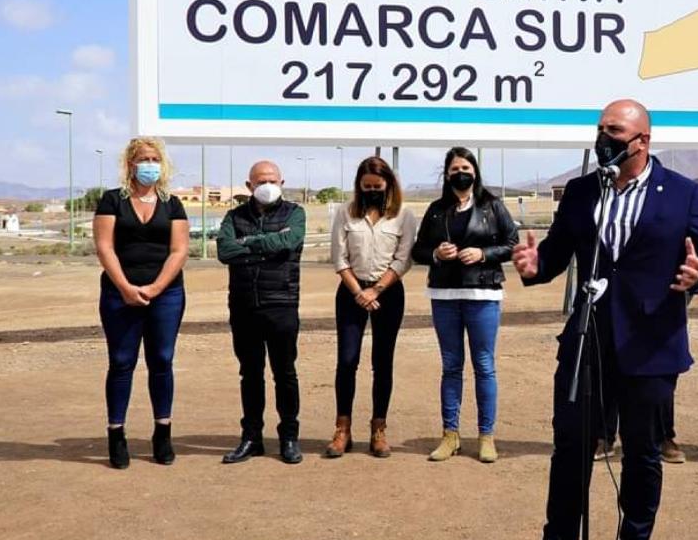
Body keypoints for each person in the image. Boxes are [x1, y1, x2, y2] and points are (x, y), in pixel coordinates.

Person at [513, 99, 698, 540]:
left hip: (652, 343)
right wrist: (535, 264)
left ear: (641, 141)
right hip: (588, 338)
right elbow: (554, 255)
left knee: (643, 454)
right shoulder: (582, 191)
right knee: (571, 449)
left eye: (612, 129)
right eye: (599, 128)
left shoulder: (684, 192)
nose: (602, 137)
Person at [412, 147, 519, 464]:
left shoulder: (492, 206)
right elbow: (418, 250)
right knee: (451, 366)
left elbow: (512, 244)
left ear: (475, 172)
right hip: (444, 295)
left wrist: (483, 254)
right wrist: (435, 254)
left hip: (482, 294)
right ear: (447, 174)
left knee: (484, 366)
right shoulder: (435, 210)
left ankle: (486, 436)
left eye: (466, 167)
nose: (461, 172)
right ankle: (450, 435)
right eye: (455, 167)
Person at [92, 137, 189, 469]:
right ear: (130, 164)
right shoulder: (111, 201)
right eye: (142, 158)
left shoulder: (172, 203)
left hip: (167, 294)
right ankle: (116, 435)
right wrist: (125, 287)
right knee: (122, 362)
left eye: (154, 158)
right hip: (120, 294)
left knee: (162, 360)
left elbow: (179, 250)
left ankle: (162, 433)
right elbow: (105, 247)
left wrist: (157, 287)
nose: (149, 164)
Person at [324, 156, 417, 459]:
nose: (372, 191)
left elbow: (403, 259)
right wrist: (359, 292)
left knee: (383, 362)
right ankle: (342, 429)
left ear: (388, 184)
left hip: (388, 292)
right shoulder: (344, 213)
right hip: (351, 292)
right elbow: (339, 258)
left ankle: (379, 429)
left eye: (377, 186)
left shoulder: (403, 214)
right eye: (366, 187)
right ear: (359, 186)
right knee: (347, 360)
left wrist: (376, 289)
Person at [216, 160, 306, 465]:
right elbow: (225, 251)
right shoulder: (234, 216)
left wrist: (249, 243)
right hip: (244, 306)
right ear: (249, 186)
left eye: (271, 180)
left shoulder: (295, 213)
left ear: (282, 182)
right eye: (259, 181)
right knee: (250, 374)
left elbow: (290, 242)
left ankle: (289, 437)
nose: (266, 185)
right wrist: (267, 245)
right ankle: (252, 437)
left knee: (285, 373)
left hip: (281, 303)